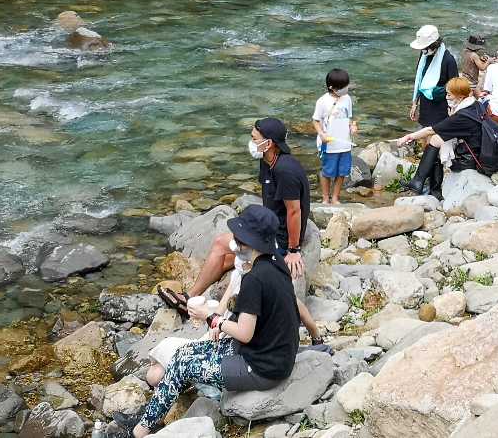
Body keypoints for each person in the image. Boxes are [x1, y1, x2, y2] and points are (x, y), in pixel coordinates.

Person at [130, 206, 300, 438]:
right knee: (183, 353)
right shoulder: (276, 263)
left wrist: (211, 318)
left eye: (238, 238)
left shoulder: (254, 279)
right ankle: (153, 414)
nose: (234, 242)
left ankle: (139, 431)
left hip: (261, 367)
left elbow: (245, 333)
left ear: (249, 243)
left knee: (182, 366)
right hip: (271, 353)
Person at [160, 119, 310, 313]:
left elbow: (294, 211)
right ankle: (191, 301)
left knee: (220, 244)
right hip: (267, 228)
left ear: (269, 143)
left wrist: (293, 250)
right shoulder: (267, 161)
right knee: (224, 260)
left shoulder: (284, 170)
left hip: (277, 237)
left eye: (254, 138)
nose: (251, 142)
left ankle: (189, 298)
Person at [396, 77, 482, 196]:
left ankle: (425, 185)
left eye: (449, 95)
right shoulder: (475, 104)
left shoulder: (462, 116)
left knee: (434, 140)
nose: (446, 97)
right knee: (436, 139)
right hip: (477, 152)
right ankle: (430, 187)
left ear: (460, 96)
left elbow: (431, 130)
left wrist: (408, 137)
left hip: (468, 160)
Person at [312, 69, 357, 206]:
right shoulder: (322, 101)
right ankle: (325, 198)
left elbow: (349, 118)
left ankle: (335, 198)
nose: (346, 89)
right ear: (332, 87)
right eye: (343, 87)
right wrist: (321, 134)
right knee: (327, 171)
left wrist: (352, 126)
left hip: (345, 143)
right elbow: (315, 120)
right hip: (329, 144)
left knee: (342, 172)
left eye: (346, 86)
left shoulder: (347, 99)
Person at [409, 25, 459, 127]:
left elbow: (455, 85)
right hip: (425, 105)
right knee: (424, 128)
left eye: (425, 48)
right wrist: (415, 104)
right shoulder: (424, 55)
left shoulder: (448, 60)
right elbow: (420, 79)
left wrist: (453, 109)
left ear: (433, 46)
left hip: (441, 106)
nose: (423, 51)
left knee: (436, 131)